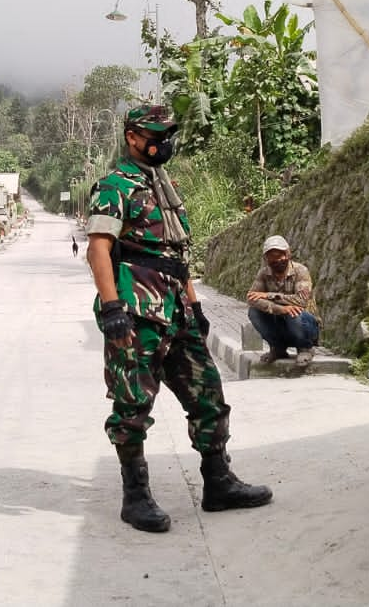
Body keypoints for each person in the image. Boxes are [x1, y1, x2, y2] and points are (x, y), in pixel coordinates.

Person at [85, 105, 272, 533]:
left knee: (208, 394)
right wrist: (112, 307)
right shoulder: (114, 186)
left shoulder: (166, 188)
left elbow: (178, 257)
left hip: (178, 311)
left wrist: (198, 307)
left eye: (169, 133)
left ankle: (218, 482)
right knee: (132, 404)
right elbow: (99, 249)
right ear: (133, 136)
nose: (164, 141)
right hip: (137, 310)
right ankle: (135, 496)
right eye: (156, 134)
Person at [246, 235, 320, 373]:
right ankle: (278, 348)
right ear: (266, 259)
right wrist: (280, 309)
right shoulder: (263, 273)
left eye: (279, 255)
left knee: (295, 312)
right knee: (254, 312)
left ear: (287, 254)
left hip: (305, 324)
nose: (277, 260)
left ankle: (305, 348)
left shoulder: (300, 271)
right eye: (272, 257)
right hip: (280, 321)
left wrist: (269, 296)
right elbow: (252, 298)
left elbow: (301, 300)